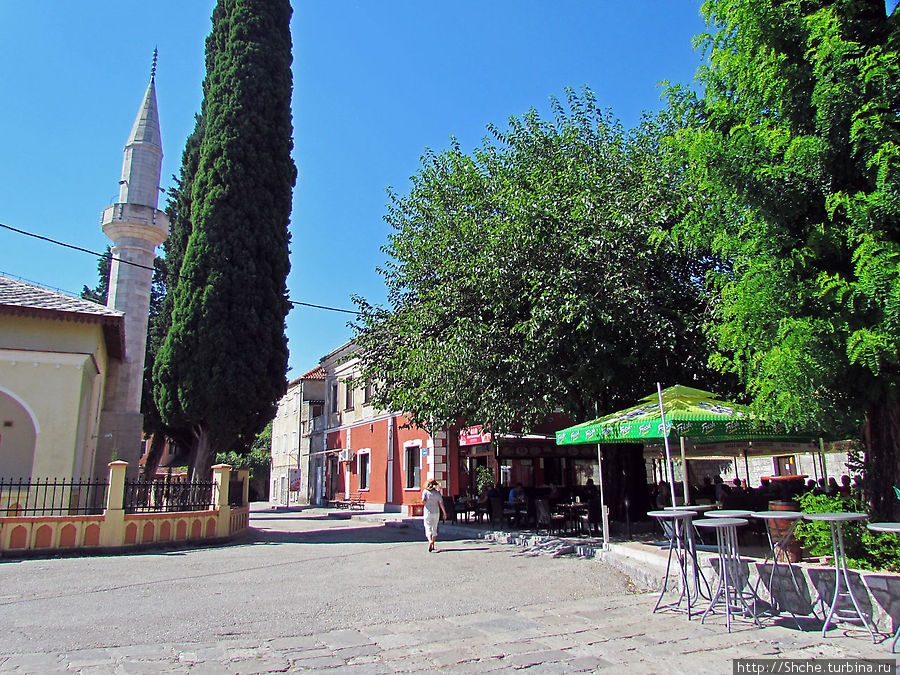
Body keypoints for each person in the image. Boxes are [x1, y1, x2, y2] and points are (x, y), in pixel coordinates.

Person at [421, 478, 448, 553]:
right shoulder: (437, 493)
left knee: (428, 527)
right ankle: (433, 544)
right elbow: (441, 503)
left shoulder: (425, 492)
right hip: (436, 512)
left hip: (427, 512)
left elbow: (423, 501)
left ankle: (430, 541)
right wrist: (444, 513)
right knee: (434, 528)